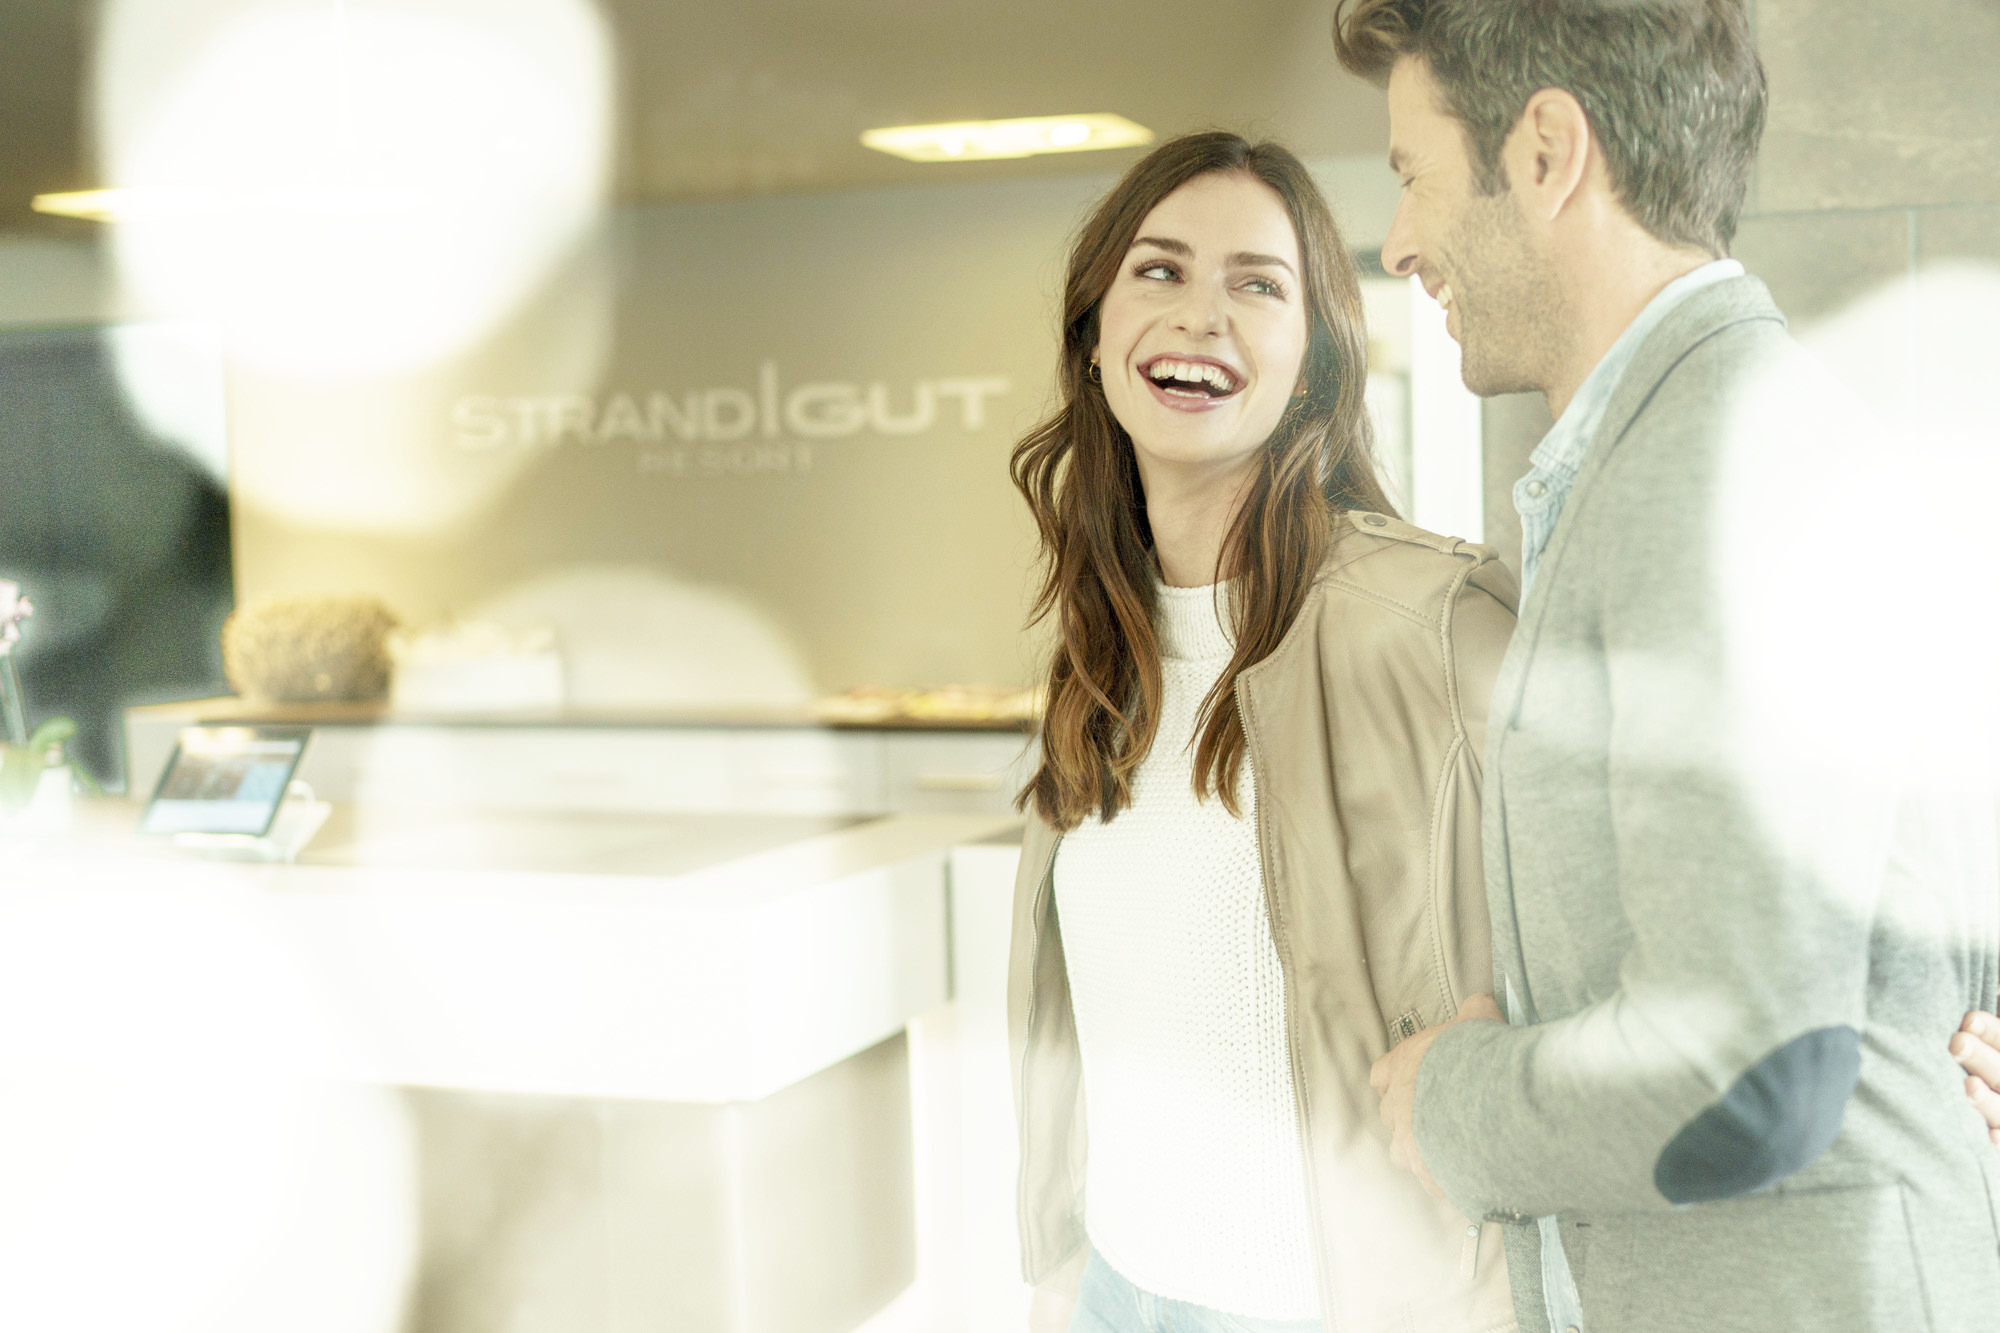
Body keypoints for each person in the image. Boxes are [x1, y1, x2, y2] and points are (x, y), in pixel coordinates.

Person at [1332, 2, 2000, 1329]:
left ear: (1546, 152)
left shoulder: (1715, 467)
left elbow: (1744, 1070)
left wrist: (1446, 1096)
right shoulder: (1707, 441)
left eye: (1413, 174)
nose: (1400, 241)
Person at [1005, 131, 1520, 1333]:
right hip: (1118, 1292)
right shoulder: (1098, 653)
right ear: (1093, 335)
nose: (1200, 315)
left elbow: (1648, 932)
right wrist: (1059, 1268)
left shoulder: (1430, 625)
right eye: (1159, 270)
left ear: (1310, 365)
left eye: (1256, 284)